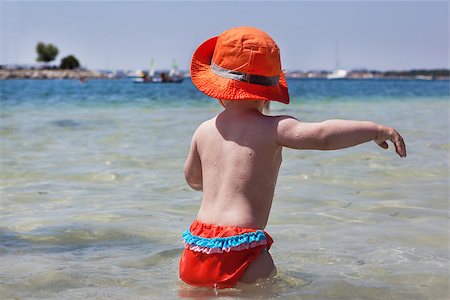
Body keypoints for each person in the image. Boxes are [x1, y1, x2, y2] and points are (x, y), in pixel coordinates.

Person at [179, 26, 406, 289]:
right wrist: (376, 130)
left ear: (217, 90)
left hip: (197, 246)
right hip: (241, 246)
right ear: (268, 93)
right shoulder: (274, 128)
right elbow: (323, 136)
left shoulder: (204, 130)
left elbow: (194, 180)